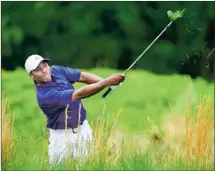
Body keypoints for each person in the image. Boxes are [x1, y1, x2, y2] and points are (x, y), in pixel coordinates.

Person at [24, 54, 125, 165]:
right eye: (38, 70)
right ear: (31, 75)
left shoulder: (56, 70)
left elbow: (81, 76)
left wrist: (107, 83)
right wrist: (107, 82)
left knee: (87, 166)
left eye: (45, 65)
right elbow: (79, 94)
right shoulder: (45, 96)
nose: (44, 70)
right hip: (61, 137)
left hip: (83, 129)